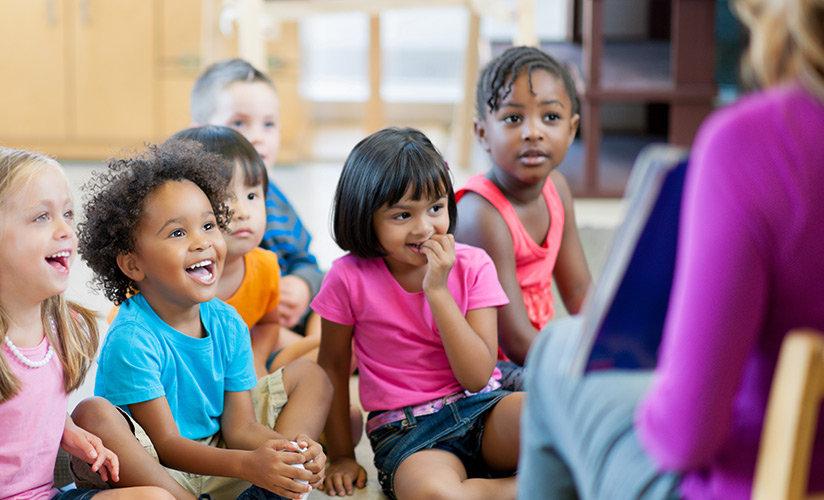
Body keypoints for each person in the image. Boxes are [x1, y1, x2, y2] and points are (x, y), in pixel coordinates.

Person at [517, 0, 824, 498]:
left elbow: (685, 438)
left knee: (554, 354)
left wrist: (667, 382)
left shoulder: (756, 146)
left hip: (752, 484)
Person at [72, 142, 332, 500]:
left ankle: (278, 482)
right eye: (178, 233)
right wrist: (246, 466)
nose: (202, 242)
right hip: (158, 473)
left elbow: (240, 428)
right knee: (93, 413)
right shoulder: (133, 339)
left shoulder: (227, 322)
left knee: (311, 376)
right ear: (133, 264)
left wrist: (286, 451)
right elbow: (166, 444)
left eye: (209, 225)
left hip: (221, 458)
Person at [0, 148, 171, 500]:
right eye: (41, 217)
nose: (65, 230)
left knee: (155, 499)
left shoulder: (62, 330)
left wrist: (69, 432)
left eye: (66, 214)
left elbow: (32, 405)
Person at [315, 128, 523, 500]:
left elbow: (477, 377)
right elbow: (331, 367)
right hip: (408, 434)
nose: (424, 227)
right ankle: (529, 488)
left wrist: (438, 291)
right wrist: (343, 455)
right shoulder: (346, 278)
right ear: (365, 215)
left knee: (560, 422)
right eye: (402, 215)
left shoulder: (473, 264)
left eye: (435, 208)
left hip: (482, 408)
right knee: (437, 495)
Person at [455, 46, 591, 390]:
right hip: (487, 369)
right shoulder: (482, 214)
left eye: (551, 117)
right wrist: (583, 361)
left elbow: (578, 291)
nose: (534, 132)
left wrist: (611, 343)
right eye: (514, 119)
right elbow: (513, 339)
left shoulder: (556, 188)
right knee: (571, 391)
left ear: (572, 129)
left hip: (530, 351)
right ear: (483, 133)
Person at [191, 59, 324, 349]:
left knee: (340, 308)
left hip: (287, 313)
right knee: (318, 357)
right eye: (238, 123)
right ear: (200, 135)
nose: (257, 137)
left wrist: (302, 286)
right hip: (244, 327)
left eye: (269, 124)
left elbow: (306, 261)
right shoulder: (193, 205)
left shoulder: (276, 196)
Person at [165, 125, 280, 378]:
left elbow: (269, 323)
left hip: (236, 369)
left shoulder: (266, 266)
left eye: (252, 195)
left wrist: (256, 359)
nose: (243, 212)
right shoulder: (162, 274)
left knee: (312, 370)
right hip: (180, 379)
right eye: (225, 198)